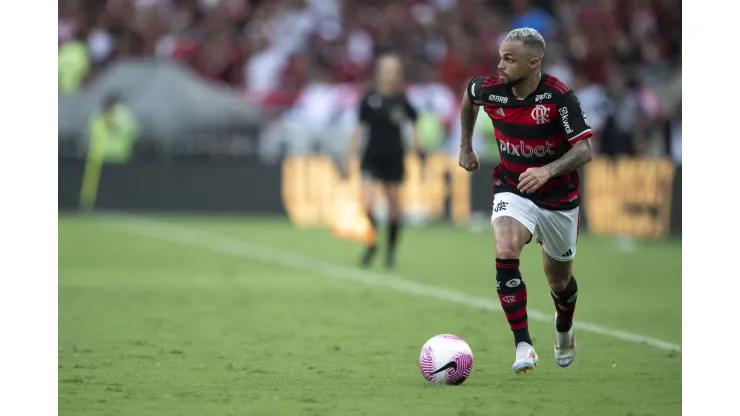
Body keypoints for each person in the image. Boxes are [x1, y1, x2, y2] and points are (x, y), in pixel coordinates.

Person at [458, 28, 593, 374]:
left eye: (509, 58)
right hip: (513, 185)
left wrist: (547, 171)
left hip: (559, 197)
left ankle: (564, 328)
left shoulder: (559, 98)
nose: (500, 65)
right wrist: (465, 146)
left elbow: (583, 149)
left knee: (559, 281)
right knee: (505, 247)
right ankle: (524, 344)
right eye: (500, 56)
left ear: (533, 63)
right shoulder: (489, 89)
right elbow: (469, 98)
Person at [345, 54, 422, 269]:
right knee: (367, 205)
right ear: (379, 72)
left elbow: (413, 120)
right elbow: (359, 127)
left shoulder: (401, 99)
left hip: (394, 156)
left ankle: (390, 253)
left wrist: (416, 143)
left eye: (394, 70)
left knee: (394, 207)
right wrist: (349, 153)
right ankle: (373, 242)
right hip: (372, 155)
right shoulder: (370, 97)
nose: (390, 74)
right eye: (387, 69)